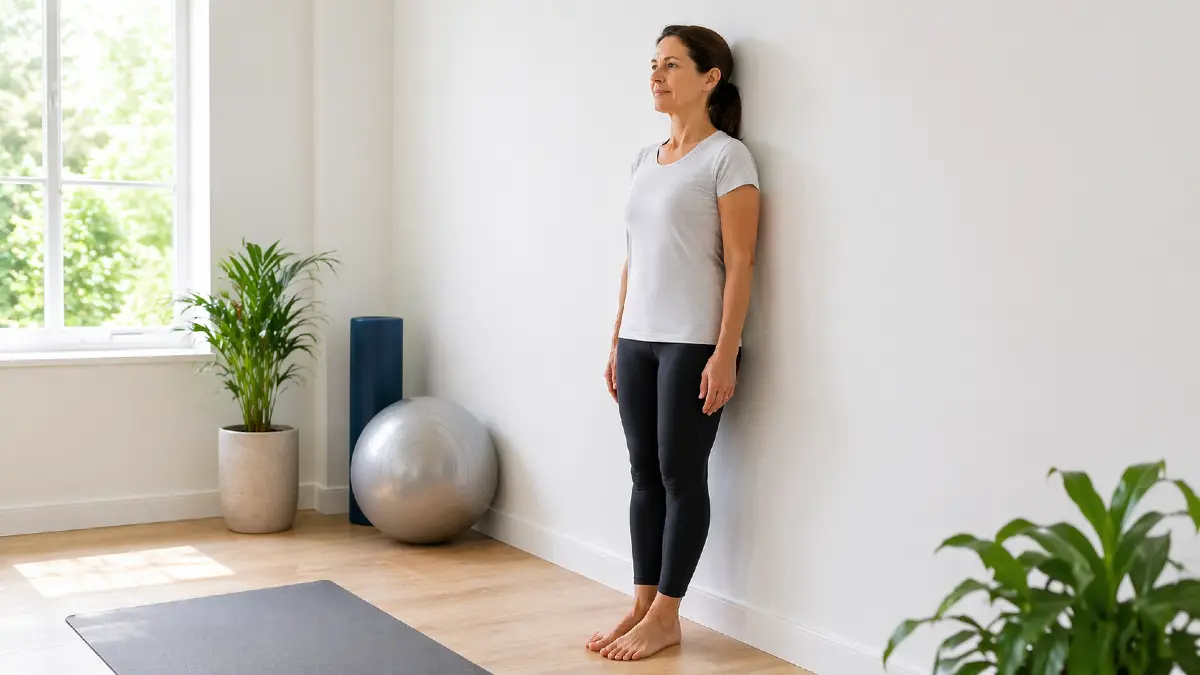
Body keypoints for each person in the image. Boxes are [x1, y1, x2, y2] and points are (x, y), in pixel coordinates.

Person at [586, 24, 761, 662]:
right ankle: (641, 599)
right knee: (643, 476)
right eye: (653, 65)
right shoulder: (644, 159)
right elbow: (634, 260)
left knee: (680, 475)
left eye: (671, 65)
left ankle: (668, 614)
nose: (656, 76)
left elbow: (741, 264)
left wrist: (724, 351)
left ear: (710, 79)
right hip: (638, 340)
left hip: (692, 344)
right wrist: (614, 341)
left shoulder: (727, 158)